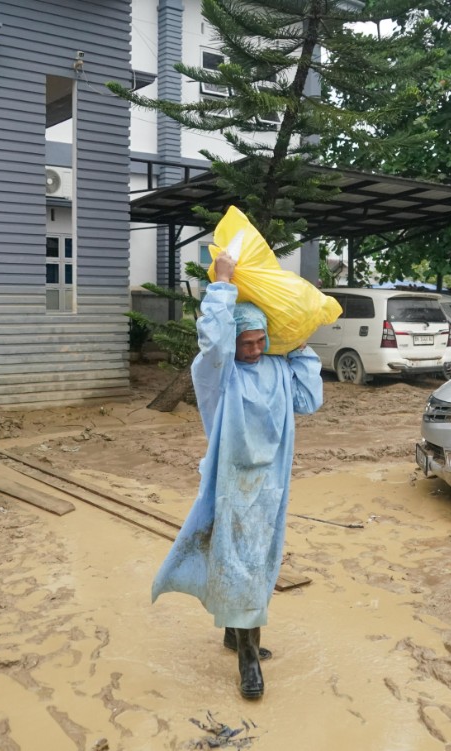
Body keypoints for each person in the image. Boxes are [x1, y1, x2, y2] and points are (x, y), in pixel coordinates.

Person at [151, 252, 323, 700]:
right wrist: (223, 285)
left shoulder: (278, 369)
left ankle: (234, 632)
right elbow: (214, 342)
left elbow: (308, 401)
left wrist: (300, 345)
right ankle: (249, 662)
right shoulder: (218, 376)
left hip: (271, 488)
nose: (253, 349)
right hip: (231, 487)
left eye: (260, 340)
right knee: (242, 564)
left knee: (253, 563)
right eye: (245, 342)